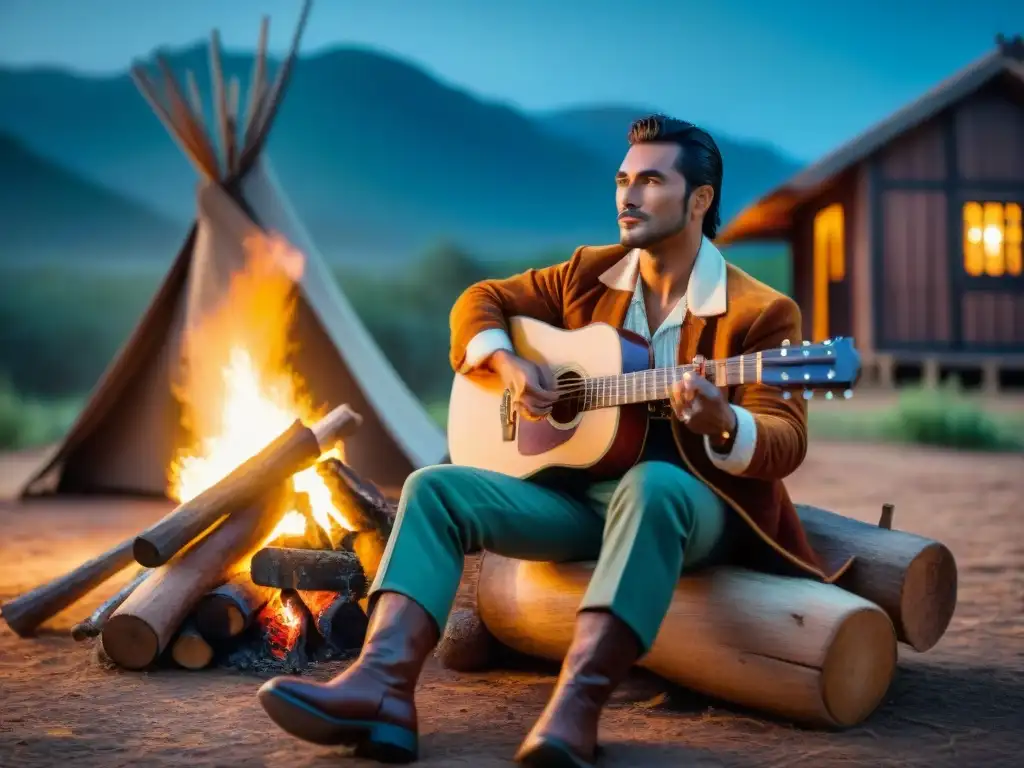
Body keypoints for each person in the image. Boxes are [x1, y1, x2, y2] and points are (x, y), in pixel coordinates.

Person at [257, 114, 843, 767]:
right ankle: (383, 688)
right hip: (578, 500)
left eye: (651, 181)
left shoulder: (761, 312)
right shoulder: (591, 274)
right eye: (623, 179)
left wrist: (723, 422)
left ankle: (577, 708)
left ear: (699, 200)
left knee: (653, 485)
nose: (627, 196)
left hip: (693, 507)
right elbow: (478, 301)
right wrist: (509, 363)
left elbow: (786, 438)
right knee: (434, 489)